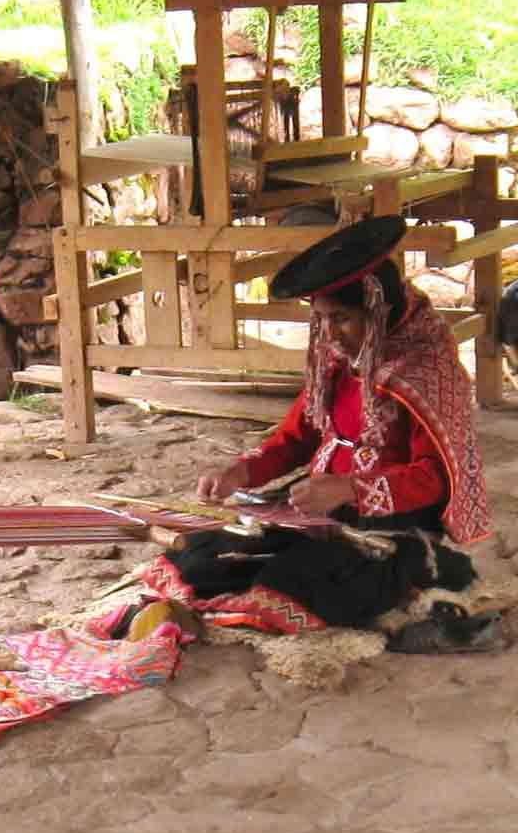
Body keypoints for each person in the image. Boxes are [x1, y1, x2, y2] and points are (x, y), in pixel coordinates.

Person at [139, 215, 492, 634]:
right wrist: (241, 472)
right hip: (316, 510)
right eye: (321, 320)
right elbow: (298, 436)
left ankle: (416, 574)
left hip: (389, 527)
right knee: (202, 555)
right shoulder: (337, 364)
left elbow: (434, 477)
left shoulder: (426, 371)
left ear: (378, 311)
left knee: (289, 582)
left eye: (341, 319)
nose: (330, 335)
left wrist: (349, 489)